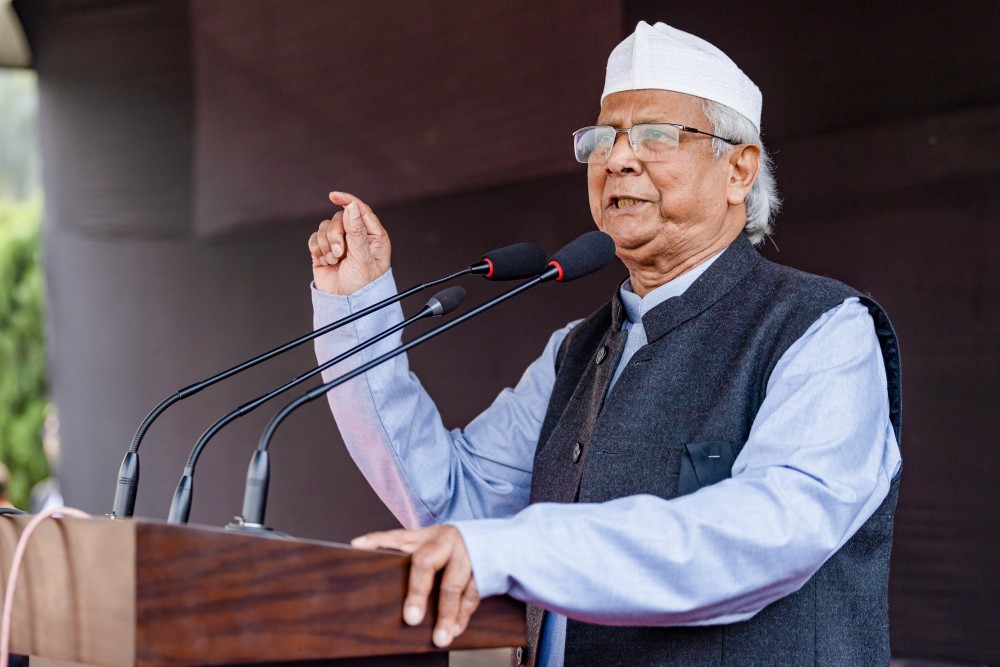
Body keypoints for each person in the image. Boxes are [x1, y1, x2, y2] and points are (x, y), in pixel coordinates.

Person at [308, 22, 901, 667]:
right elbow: (453, 501)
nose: (617, 159)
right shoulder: (576, 349)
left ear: (739, 169)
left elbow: (768, 533)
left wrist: (518, 550)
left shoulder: (824, 327)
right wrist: (356, 309)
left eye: (654, 136)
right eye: (601, 140)